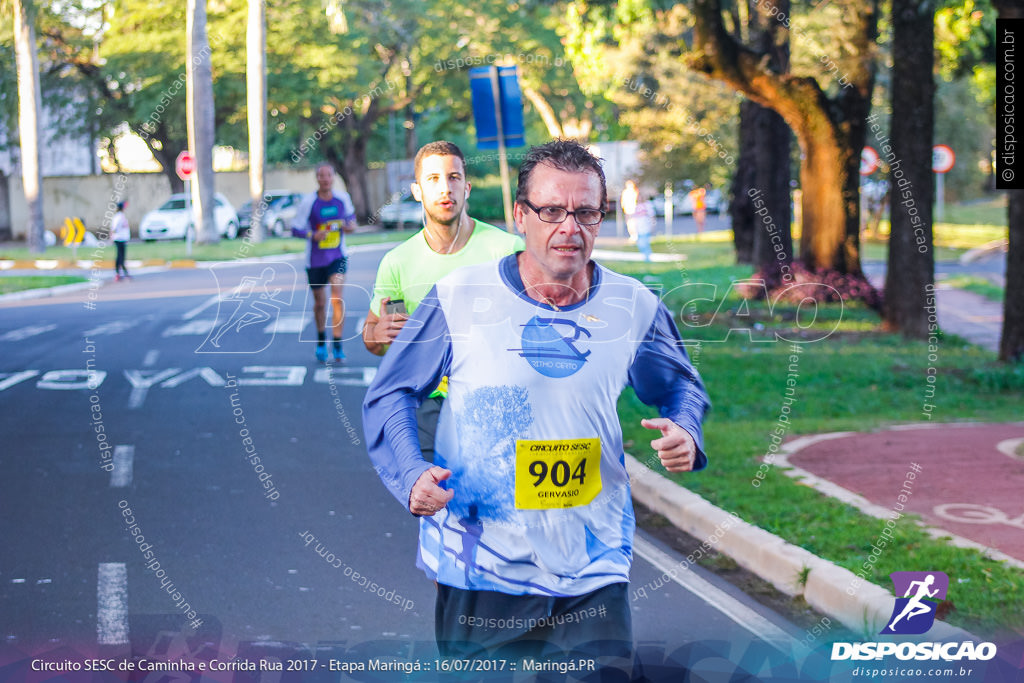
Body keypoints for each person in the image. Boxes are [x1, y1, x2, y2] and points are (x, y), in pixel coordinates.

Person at [363, 139, 709, 668]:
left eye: (586, 212)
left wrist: (685, 427)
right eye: (551, 211)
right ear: (521, 216)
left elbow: (680, 383)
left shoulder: (633, 305)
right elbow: (392, 391)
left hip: (593, 560)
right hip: (483, 562)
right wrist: (411, 472)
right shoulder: (459, 298)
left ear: (602, 217)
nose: (569, 228)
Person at [362, 141, 523, 460]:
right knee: (436, 502)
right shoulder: (399, 262)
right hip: (428, 404)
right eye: (433, 179)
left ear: (467, 187)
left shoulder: (507, 251)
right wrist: (377, 335)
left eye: (453, 177)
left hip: (497, 401)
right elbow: (382, 337)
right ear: (417, 190)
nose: (445, 188)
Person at [291, 163, 356, 363]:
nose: (325, 178)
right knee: (320, 303)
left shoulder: (342, 199)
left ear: (334, 177)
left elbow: (351, 220)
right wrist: (313, 234)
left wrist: (350, 226)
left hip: (338, 256)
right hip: (315, 260)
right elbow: (295, 229)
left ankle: (337, 344)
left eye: (328, 175)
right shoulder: (308, 202)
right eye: (321, 175)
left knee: (337, 298)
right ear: (317, 178)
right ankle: (321, 341)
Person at [112, 201, 131, 281]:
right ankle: (120, 273)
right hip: (119, 239)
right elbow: (114, 228)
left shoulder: (121, 216)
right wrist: (114, 236)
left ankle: (122, 273)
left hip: (122, 238)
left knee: (121, 256)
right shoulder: (118, 217)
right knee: (120, 257)